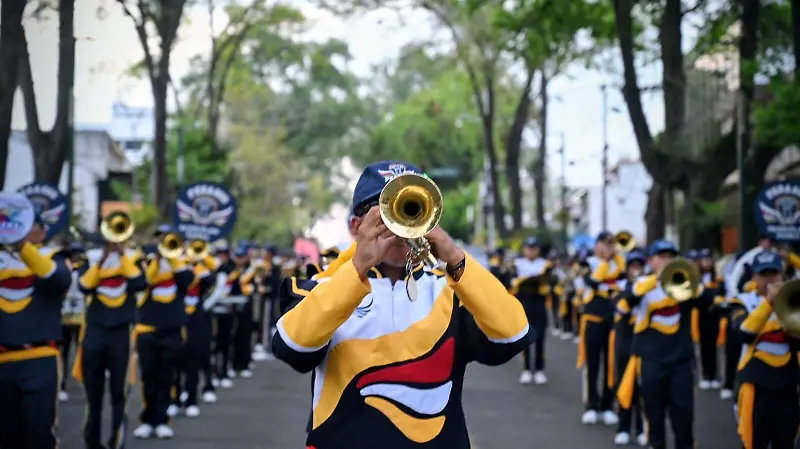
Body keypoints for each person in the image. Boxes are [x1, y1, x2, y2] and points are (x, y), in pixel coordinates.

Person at [272, 161, 532, 449]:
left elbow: (513, 334)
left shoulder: (453, 290)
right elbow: (292, 349)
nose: (401, 226)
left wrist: (455, 258)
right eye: (385, 212)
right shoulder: (320, 287)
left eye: (411, 210)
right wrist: (358, 266)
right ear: (356, 227)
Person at [617, 240, 712, 449]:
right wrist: (654, 280)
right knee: (654, 416)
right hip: (651, 360)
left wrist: (694, 283)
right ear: (651, 261)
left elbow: (708, 302)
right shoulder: (640, 284)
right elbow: (622, 307)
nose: (667, 261)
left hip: (681, 360)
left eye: (671, 257)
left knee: (684, 417)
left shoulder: (685, 281)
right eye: (661, 257)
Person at [0, 208, 72, 449]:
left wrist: (22, 247)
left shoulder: (56, 256)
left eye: (29, 226)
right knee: (7, 436)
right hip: (2, 359)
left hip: (39, 358)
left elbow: (59, 280)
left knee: (39, 434)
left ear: (41, 232)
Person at [728, 250, 799, 449]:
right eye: (763, 275)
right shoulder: (741, 301)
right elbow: (743, 334)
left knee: (786, 443)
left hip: (787, 384)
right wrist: (769, 303)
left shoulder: (794, 300)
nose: (769, 280)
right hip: (754, 385)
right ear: (754, 277)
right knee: (752, 443)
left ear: (782, 275)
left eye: (773, 274)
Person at [132, 226, 195, 440]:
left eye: (168, 239)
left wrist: (174, 258)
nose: (164, 243)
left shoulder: (183, 265)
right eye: (160, 238)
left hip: (172, 328)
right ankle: (147, 419)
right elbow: (141, 284)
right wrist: (157, 261)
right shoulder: (145, 262)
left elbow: (187, 282)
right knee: (148, 375)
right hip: (147, 327)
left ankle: (162, 420)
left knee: (167, 375)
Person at [577, 231, 624, 426]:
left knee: (611, 364)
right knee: (593, 363)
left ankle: (607, 405)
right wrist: (605, 262)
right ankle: (591, 405)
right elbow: (592, 282)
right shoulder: (588, 263)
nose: (607, 248)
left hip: (612, 320)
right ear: (597, 245)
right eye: (604, 244)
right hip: (593, 319)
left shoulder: (620, 264)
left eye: (610, 244)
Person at [511, 237, 551, 385]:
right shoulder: (518, 264)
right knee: (524, 337)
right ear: (524, 249)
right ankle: (527, 369)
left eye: (534, 248)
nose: (531, 251)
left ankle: (539, 369)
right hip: (523, 303)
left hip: (539, 302)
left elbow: (550, 281)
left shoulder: (544, 264)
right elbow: (511, 280)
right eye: (529, 248)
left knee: (540, 336)